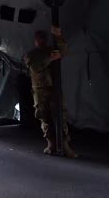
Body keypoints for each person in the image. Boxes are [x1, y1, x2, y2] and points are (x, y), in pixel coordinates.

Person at [24, 26, 78, 158]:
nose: (41, 41)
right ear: (35, 40)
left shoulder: (51, 50)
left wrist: (58, 36)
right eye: (39, 39)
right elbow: (36, 67)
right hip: (40, 89)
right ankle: (51, 144)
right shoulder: (31, 55)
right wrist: (51, 59)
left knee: (61, 115)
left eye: (43, 38)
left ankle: (65, 146)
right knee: (44, 116)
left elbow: (64, 51)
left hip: (54, 87)